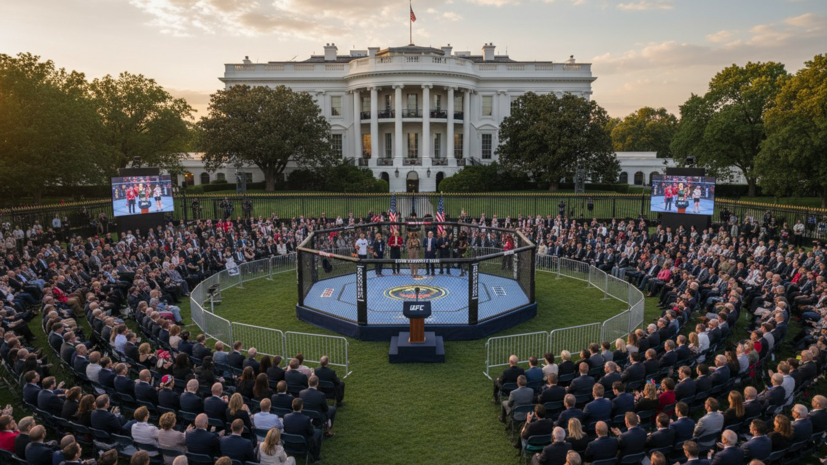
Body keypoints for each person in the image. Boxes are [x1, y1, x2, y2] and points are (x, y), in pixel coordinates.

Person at [283, 398, 322, 463]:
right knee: (318, 432)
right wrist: (310, 424)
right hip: (302, 445)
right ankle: (316, 457)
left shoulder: (286, 417)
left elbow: (285, 429)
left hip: (288, 443)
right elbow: (311, 432)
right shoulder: (306, 419)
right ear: (301, 407)